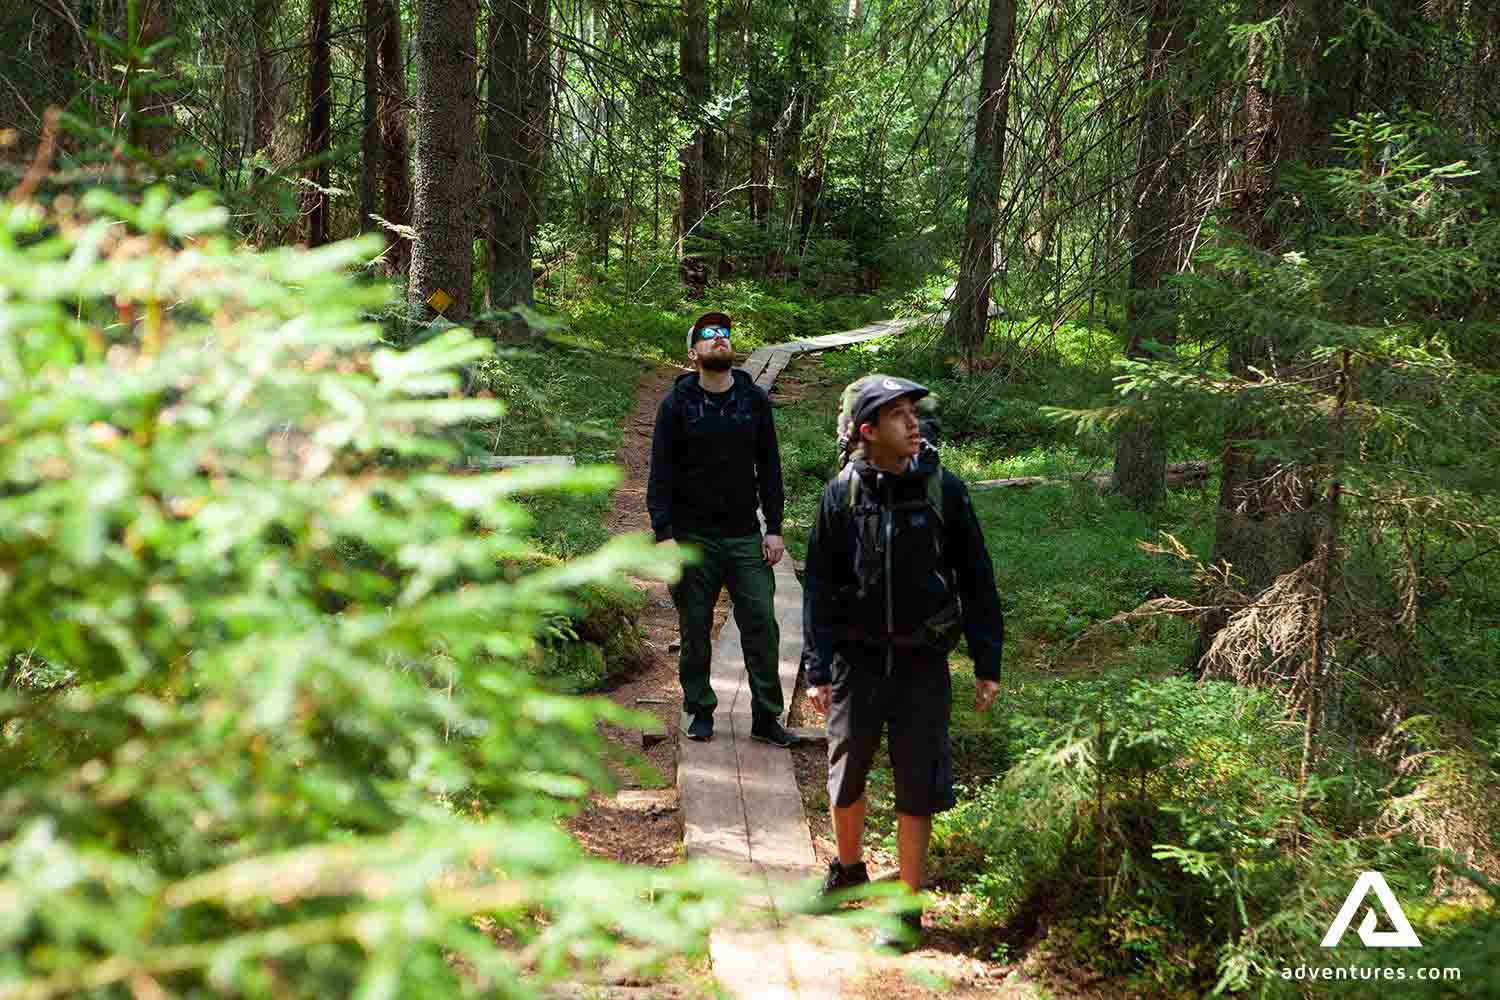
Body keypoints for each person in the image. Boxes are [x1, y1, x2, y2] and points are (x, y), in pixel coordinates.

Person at [801, 374, 1005, 951]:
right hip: (856, 662)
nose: (914, 423)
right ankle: (847, 872)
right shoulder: (840, 494)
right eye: (898, 416)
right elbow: (818, 585)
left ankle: (908, 909)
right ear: (868, 431)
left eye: (914, 412)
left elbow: (977, 576)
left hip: (922, 664)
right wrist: (818, 668)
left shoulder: (945, 489)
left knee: (919, 784)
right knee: (847, 774)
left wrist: (987, 659)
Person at [647, 310, 793, 748]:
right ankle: (700, 709)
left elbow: (769, 466)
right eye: (708, 335)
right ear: (693, 353)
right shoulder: (675, 406)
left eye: (724, 334)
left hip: (745, 534)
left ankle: (767, 716)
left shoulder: (753, 402)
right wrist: (666, 536)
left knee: (762, 624)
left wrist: (775, 528)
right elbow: (660, 477)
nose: (719, 339)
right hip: (693, 538)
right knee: (695, 628)